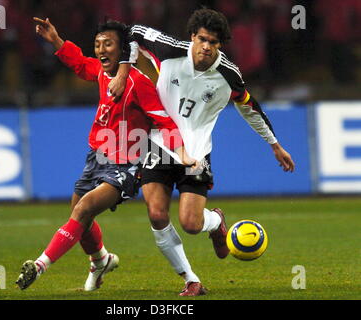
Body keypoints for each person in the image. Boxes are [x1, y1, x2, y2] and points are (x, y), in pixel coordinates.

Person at [109, 8, 295, 296]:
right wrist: (123, 72)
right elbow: (128, 31)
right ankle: (190, 280)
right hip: (160, 144)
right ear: (193, 37)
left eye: (214, 43)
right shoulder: (168, 50)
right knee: (157, 215)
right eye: (203, 39)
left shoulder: (228, 75)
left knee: (191, 224)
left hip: (196, 153)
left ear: (220, 45)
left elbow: (249, 107)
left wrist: (274, 144)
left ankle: (216, 221)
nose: (207, 47)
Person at [16, 17, 196, 291]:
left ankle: (40, 265)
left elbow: (164, 120)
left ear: (122, 49)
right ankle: (101, 259)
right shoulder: (102, 73)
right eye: (98, 44)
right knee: (80, 219)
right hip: (97, 156)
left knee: (84, 208)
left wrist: (181, 151)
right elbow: (79, 63)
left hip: (126, 163)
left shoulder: (138, 82)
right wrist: (55, 39)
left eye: (108, 44)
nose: (101, 50)